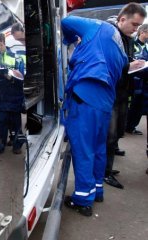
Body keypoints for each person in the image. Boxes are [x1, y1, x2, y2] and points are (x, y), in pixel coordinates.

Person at [61, 15, 128, 216]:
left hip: (86, 97)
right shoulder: (121, 49)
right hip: (105, 102)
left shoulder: (98, 27)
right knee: (99, 147)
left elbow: (66, 21)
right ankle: (97, 190)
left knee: (83, 149)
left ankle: (83, 200)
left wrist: (71, 40)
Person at [105, 3, 147, 189]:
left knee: (117, 132)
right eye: (135, 25)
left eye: (139, 27)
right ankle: (105, 172)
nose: (136, 29)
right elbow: (106, 65)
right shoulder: (109, 36)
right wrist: (128, 67)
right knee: (110, 135)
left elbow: (124, 61)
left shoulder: (127, 37)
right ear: (122, 19)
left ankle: (108, 166)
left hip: (124, 91)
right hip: (112, 93)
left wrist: (134, 63)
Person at [0, 32, 25, 156]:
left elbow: (22, 75)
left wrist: (11, 76)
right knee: (1, 124)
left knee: (16, 124)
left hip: (14, 95)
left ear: (4, 43)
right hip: (1, 96)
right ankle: (0, 146)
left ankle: (17, 145)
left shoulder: (16, 56)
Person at [126, 24, 148, 135]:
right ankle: (127, 125)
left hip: (144, 80)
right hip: (133, 79)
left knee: (140, 105)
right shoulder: (132, 43)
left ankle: (131, 126)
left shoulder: (147, 45)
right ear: (142, 32)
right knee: (132, 104)